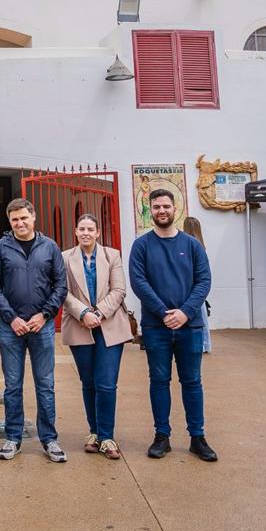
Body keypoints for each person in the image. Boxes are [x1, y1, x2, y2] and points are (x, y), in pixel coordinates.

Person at [129, 189, 217, 462]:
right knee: (159, 381)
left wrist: (185, 312)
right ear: (150, 211)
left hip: (189, 327)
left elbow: (204, 281)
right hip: (157, 328)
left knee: (192, 382)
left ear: (175, 208)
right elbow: (138, 282)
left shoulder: (192, 246)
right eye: (156, 207)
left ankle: (197, 437)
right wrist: (163, 312)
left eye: (166, 205)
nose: (162, 211)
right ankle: (162, 436)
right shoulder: (141, 246)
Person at [0, 198, 69, 463]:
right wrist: (11, 318)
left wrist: (45, 314)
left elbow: (60, 285)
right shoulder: (1, 247)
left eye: (23, 217)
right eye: (14, 220)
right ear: (9, 222)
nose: (20, 223)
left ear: (33, 217)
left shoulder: (50, 247)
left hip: (41, 327)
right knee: (12, 386)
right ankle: (13, 438)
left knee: (45, 384)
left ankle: (49, 439)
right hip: (11, 329)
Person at [61, 213, 133, 460]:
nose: (86, 233)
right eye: (81, 229)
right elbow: (62, 291)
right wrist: (83, 313)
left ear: (98, 233)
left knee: (106, 383)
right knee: (88, 382)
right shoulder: (65, 259)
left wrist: (99, 313)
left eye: (90, 229)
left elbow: (120, 289)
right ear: (76, 232)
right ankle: (93, 432)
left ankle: (107, 436)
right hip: (80, 325)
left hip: (109, 325)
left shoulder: (112, 255)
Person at [182, 216, 214, 352]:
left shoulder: (188, 244)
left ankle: (202, 344)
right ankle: (205, 344)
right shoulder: (200, 243)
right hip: (199, 284)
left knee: (196, 316)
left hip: (190, 284)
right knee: (202, 316)